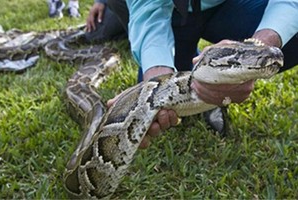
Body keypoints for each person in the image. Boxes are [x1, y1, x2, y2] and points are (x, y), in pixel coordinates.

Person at [106, 0, 298, 148]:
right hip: (172, 12)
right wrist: (156, 74)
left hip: (226, 6)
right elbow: (147, 8)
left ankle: (208, 83)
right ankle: (200, 74)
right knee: (158, 102)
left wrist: (255, 48)